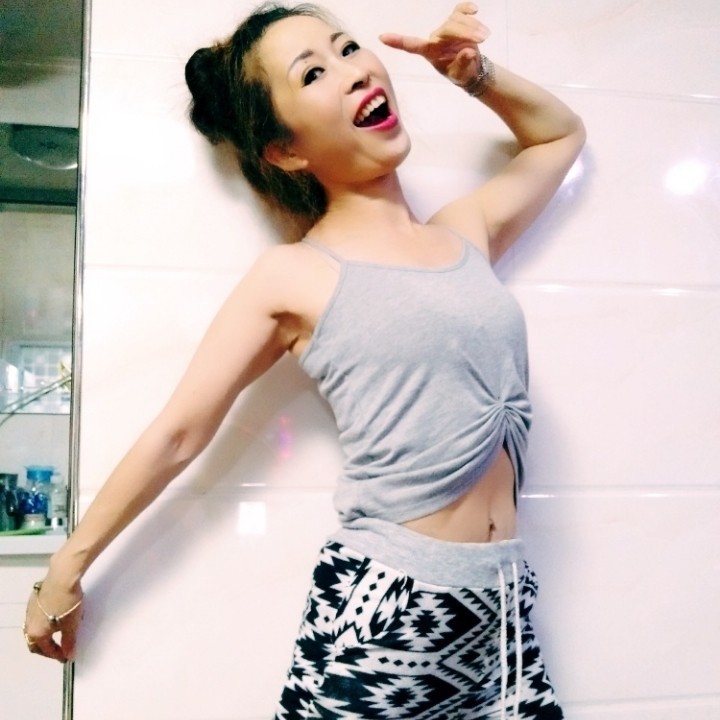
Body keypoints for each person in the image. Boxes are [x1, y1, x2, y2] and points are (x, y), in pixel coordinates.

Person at [23, 2, 585, 718]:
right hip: (389, 610)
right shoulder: (294, 275)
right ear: (286, 152)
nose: (353, 72)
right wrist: (65, 569)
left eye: (347, 49)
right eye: (313, 73)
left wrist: (474, 75)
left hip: (503, 609)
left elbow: (560, 135)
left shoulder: (465, 232)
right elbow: (179, 432)